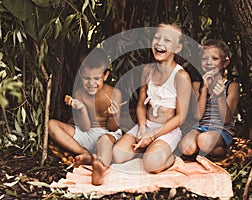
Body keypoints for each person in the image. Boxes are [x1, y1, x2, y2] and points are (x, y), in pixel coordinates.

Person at [112, 23, 192, 173]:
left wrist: (153, 135)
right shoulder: (148, 70)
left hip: (168, 130)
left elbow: (180, 117)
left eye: (167, 40)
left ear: (177, 48)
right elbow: (141, 105)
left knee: (152, 165)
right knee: (117, 155)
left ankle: (170, 156)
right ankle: (149, 148)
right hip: (147, 125)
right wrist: (142, 128)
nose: (160, 43)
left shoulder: (181, 76)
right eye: (157, 37)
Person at [48, 48, 123, 185]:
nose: (91, 83)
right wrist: (81, 109)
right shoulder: (79, 94)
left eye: (96, 78)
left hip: (107, 134)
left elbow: (113, 128)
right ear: (81, 74)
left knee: (104, 141)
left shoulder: (114, 93)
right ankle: (85, 154)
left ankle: (100, 167)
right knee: (51, 124)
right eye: (86, 78)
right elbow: (84, 127)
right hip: (86, 133)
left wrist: (112, 115)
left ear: (105, 76)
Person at [179, 39, 240, 158]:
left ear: (225, 62)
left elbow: (226, 119)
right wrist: (205, 88)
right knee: (186, 148)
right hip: (199, 127)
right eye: (204, 59)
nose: (208, 62)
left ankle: (216, 149)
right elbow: (197, 116)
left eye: (215, 58)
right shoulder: (197, 85)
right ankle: (207, 151)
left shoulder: (232, 86)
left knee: (204, 141)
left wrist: (220, 95)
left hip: (221, 130)